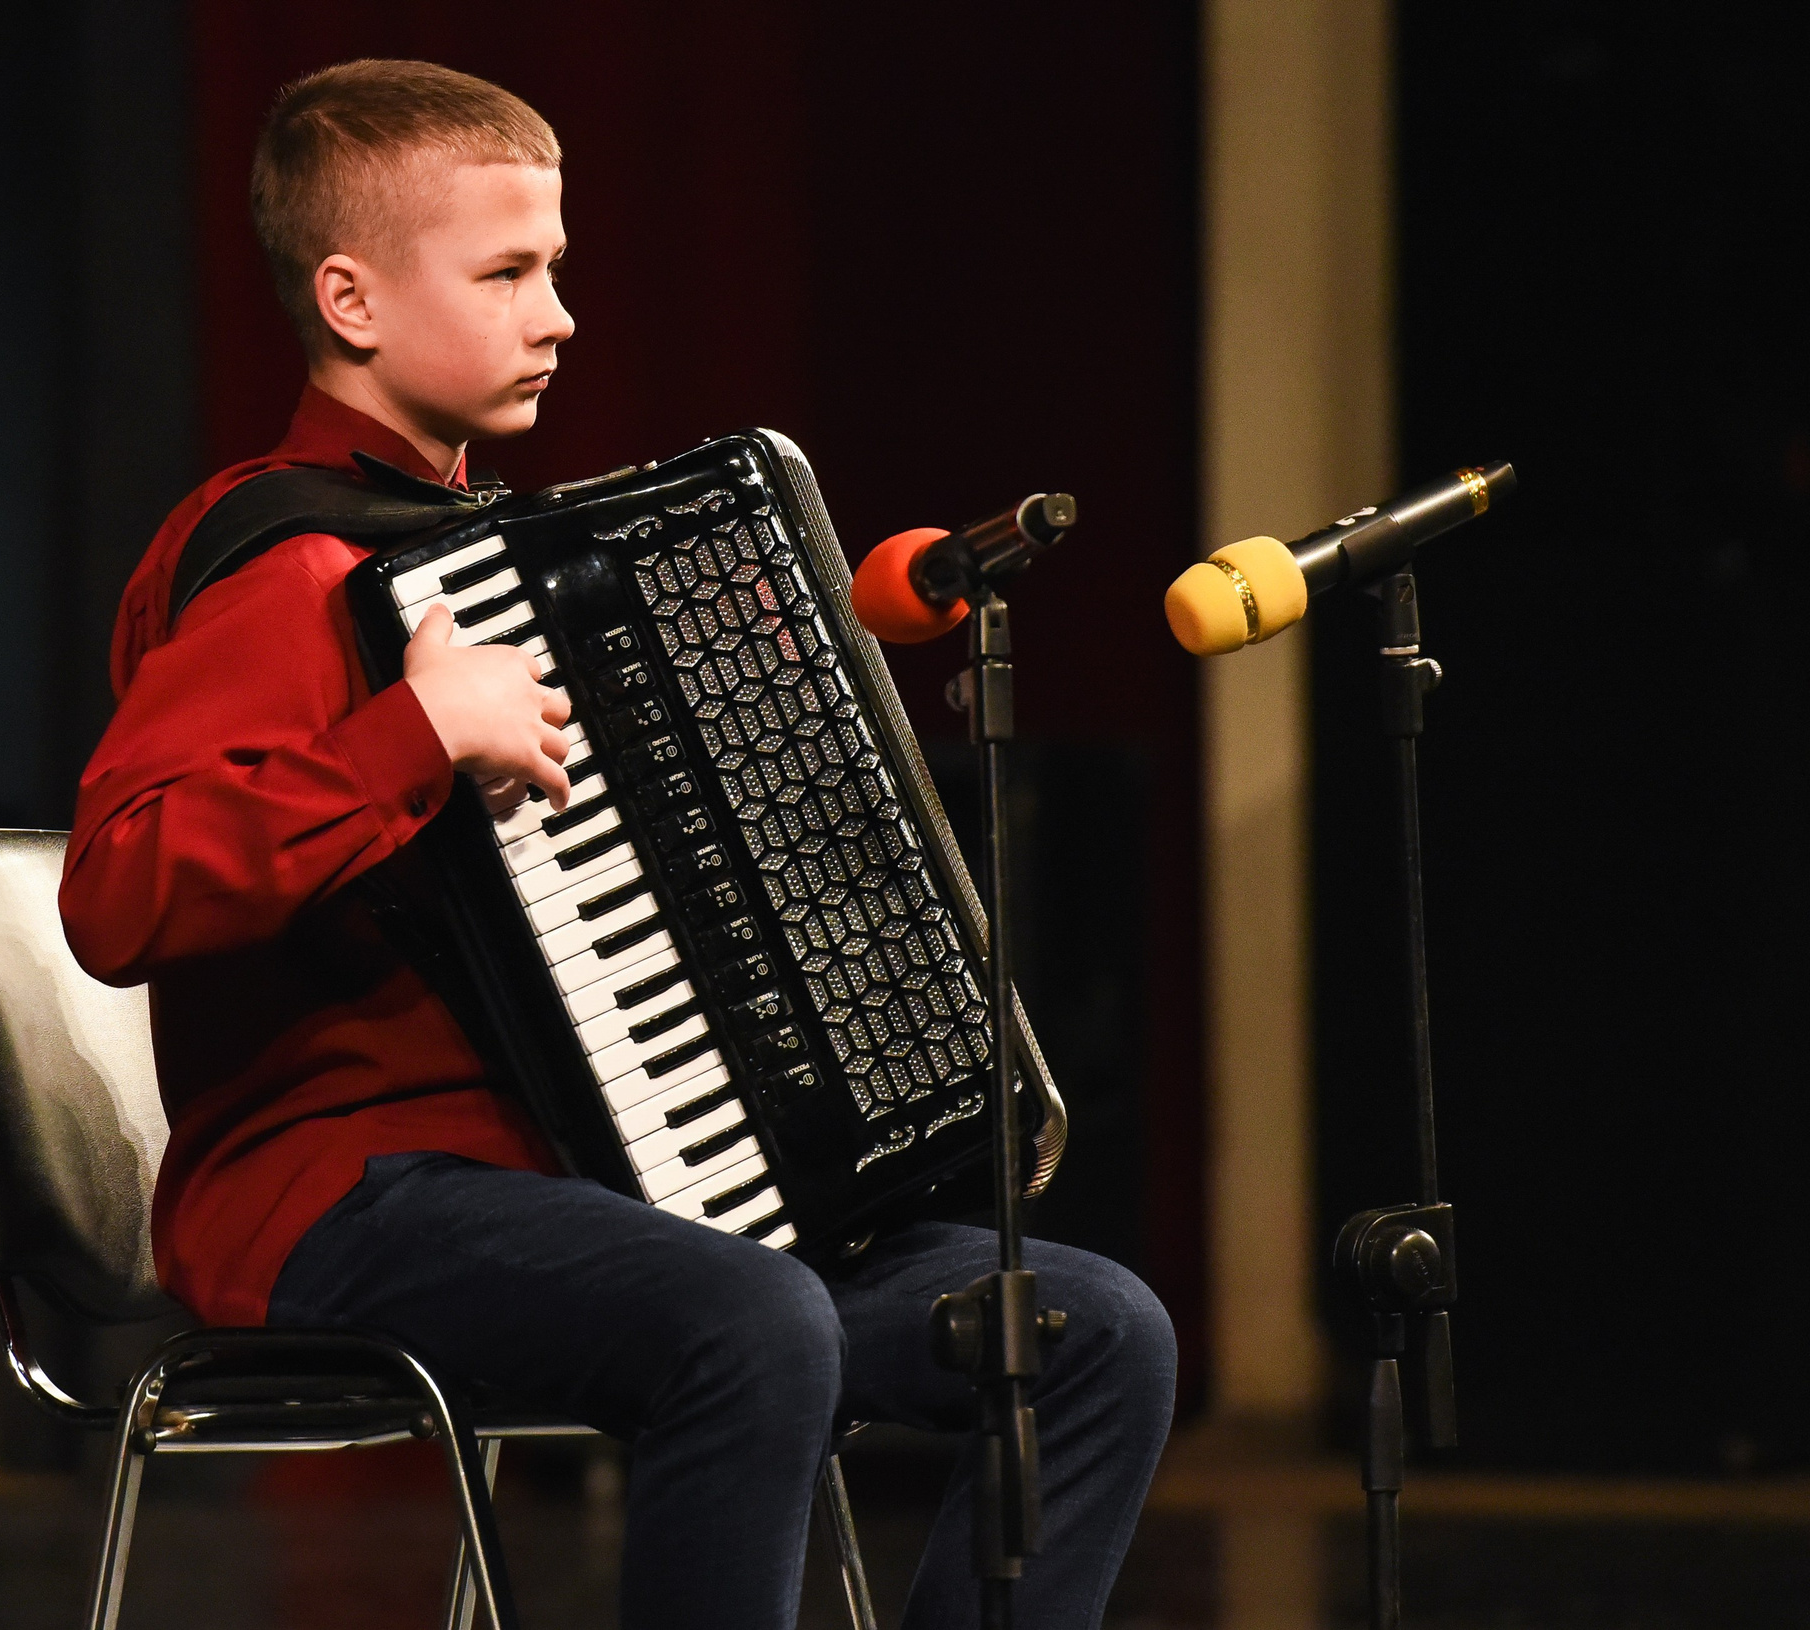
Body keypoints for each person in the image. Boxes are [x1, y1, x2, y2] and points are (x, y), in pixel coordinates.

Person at [59, 58, 1175, 1630]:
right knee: (752, 1322)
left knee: (1089, 1328)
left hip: (603, 1193)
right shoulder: (279, 569)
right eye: (507, 272)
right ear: (350, 299)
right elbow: (118, 891)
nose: (558, 312)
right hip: (339, 1198)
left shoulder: (514, 561)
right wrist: (413, 735)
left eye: (559, 269)